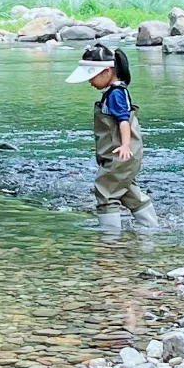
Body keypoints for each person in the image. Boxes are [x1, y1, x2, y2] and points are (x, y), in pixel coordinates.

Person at [67, 43, 158, 232]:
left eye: (91, 77)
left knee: (106, 190)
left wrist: (125, 145)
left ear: (107, 72)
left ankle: (110, 237)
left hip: (120, 153)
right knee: (126, 189)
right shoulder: (115, 92)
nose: (89, 82)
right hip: (122, 155)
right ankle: (150, 227)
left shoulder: (115, 94)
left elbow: (123, 121)